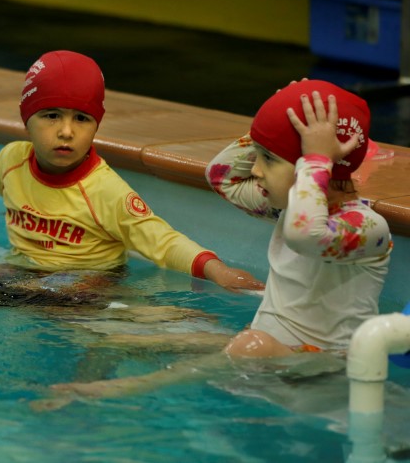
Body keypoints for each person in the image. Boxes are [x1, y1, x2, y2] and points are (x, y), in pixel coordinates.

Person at [44, 79, 393, 403]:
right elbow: (222, 175)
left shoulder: (366, 228)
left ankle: (126, 390)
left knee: (248, 346)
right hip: (265, 345)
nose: (255, 169)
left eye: (268, 158)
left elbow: (307, 236)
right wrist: (277, 116)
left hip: (323, 365)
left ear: (321, 167)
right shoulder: (288, 211)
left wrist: (315, 158)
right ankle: (74, 405)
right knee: (120, 340)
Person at [0, 50, 263, 293]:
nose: (67, 131)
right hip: (27, 275)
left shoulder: (105, 191)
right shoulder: (13, 161)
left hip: (90, 289)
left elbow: (162, 241)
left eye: (82, 118)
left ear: (95, 125)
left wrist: (217, 271)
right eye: (51, 115)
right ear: (27, 120)